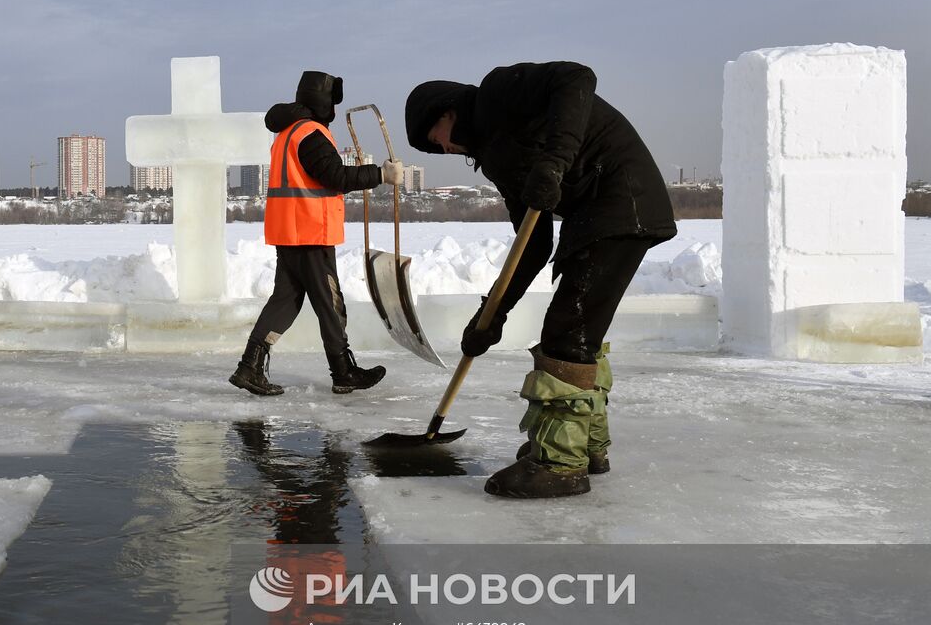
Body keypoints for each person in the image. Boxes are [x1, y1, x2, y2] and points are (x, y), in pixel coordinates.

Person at [404, 62, 676, 498]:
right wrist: (491, 315)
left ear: (447, 109)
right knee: (577, 330)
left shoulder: (497, 94)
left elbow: (576, 77)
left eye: (432, 135)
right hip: (595, 215)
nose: (440, 147)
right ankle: (584, 445)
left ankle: (561, 464)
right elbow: (530, 247)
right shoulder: (499, 158)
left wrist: (554, 162)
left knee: (568, 333)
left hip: (622, 198)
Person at [230, 71, 404, 396]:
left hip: (289, 231)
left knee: (285, 300)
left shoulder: (286, 134)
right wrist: (381, 174)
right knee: (330, 303)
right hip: (310, 231)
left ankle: (249, 367)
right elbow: (334, 176)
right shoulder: (310, 133)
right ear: (323, 103)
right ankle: (343, 371)